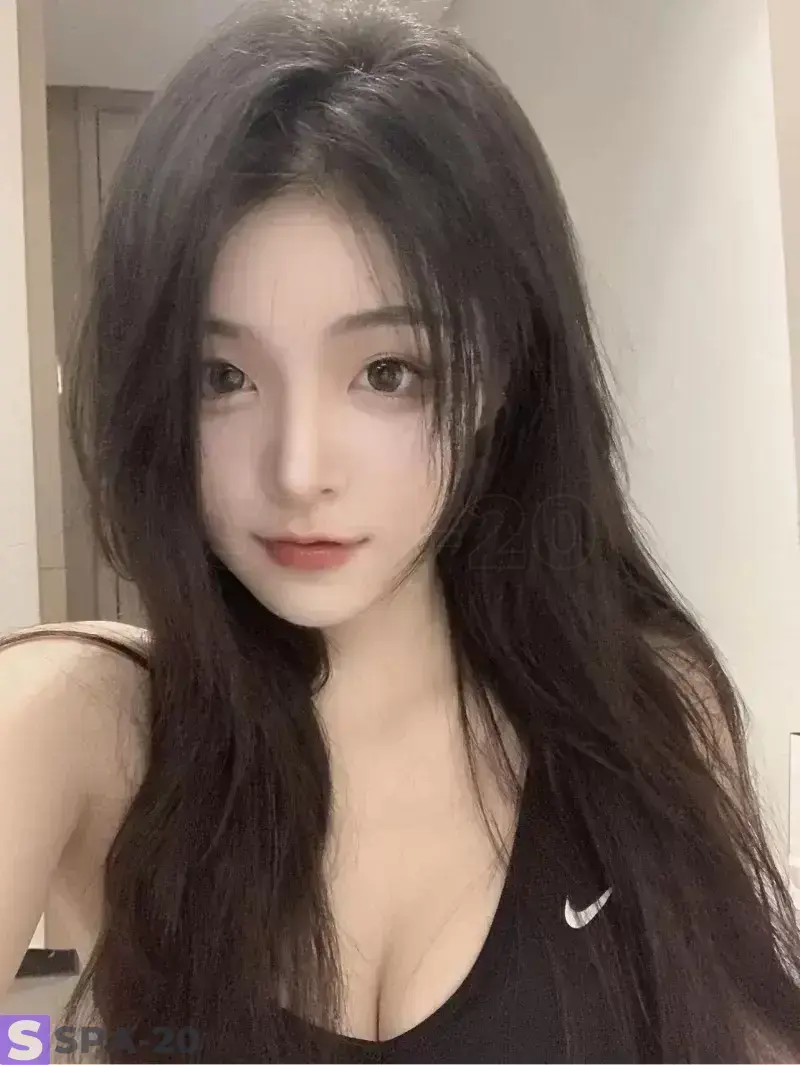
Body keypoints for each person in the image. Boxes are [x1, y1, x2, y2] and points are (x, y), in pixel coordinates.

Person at [1, 1, 799, 1061]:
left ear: (501, 379)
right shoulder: (78, 723)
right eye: (221, 376)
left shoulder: (643, 711)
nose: (298, 470)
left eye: (387, 372)